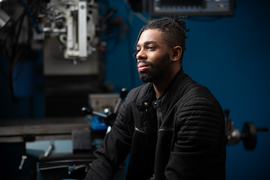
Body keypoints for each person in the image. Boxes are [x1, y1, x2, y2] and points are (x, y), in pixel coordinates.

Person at [85, 16, 226, 180]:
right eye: (138, 49)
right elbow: (106, 158)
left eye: (150, 48)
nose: (139, 55)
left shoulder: (198, 107)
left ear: (175, 53)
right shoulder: (134, 99)